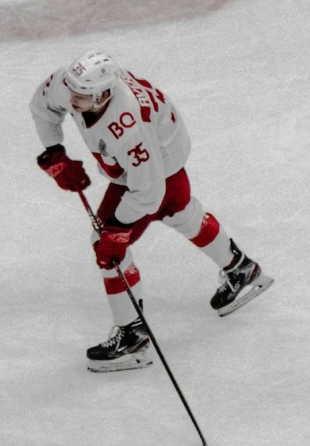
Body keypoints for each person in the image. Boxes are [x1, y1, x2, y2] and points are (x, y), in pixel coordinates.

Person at [32, 51, 272, 372]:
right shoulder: (75, 84)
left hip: (157, 173)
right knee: (183, 215)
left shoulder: (127, 124)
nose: (71, 98)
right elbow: (44, 105)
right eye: (72, 89)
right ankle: (241, 269)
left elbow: (149, 189)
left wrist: (118, 229)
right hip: (158, 163)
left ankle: (132, 338)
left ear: (103, 93)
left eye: (80, 95)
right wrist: (55, 150)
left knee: (106, 248)